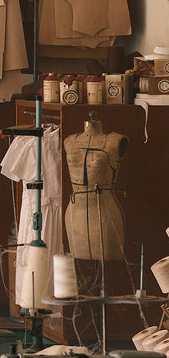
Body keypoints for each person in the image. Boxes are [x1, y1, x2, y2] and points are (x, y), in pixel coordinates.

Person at [62, 112, 127, 262]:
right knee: (78, 265)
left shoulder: (115, 141)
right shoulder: (69, 141)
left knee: (107, 269)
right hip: (74, 213)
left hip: (105, 212)